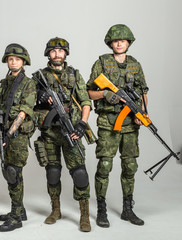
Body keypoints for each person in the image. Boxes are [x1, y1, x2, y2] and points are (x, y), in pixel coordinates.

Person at [86, 24, 148, 228]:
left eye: (123, 40)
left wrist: (143, 114)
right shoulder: (102, 63)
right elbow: (88, 93)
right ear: (110, 43)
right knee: (104, 166)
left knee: (130, 166)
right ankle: (101, 208)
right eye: (116, 40)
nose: (120, 43)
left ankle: (127, 209)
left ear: (129, 42)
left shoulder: (135, 65)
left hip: (130, 124)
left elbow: (143, 92)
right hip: (107, 123)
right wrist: (104, 93)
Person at [34, 37, 92, 232]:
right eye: (53, 51)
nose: (57, 54)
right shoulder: (39, 76)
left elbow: (85, 101)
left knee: (80, 173)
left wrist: (82, 124)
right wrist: (40, 97)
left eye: (61, 51)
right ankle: (56, 210)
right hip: (49, 132)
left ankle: (84, 215)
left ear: (65, 53)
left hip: (71, 130)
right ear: (48, 54)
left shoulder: (75, 75)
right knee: (53, 172)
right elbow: (27, 101)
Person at [0, 43, 36, 232]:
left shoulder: (28, 83)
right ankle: (20, 210)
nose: (14, 62)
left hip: (16, 135)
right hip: (3, 131)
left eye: (17, 59)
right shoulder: (5, 83)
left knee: (13, 172)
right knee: (10, 171)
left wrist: (9, 134)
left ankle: (16, 218)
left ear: (23, 62)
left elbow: (24, 112)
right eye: (11, 59)